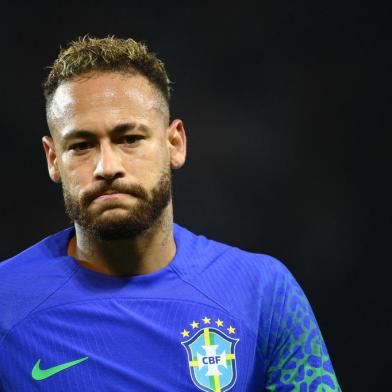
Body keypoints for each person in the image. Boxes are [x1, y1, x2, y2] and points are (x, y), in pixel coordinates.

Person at [0, 36, 341, 392]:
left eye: (129, 138)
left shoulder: (264, 292)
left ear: (174, 144)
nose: (107, 166)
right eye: (81, 145)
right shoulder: (6, 303)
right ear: (53, 158)